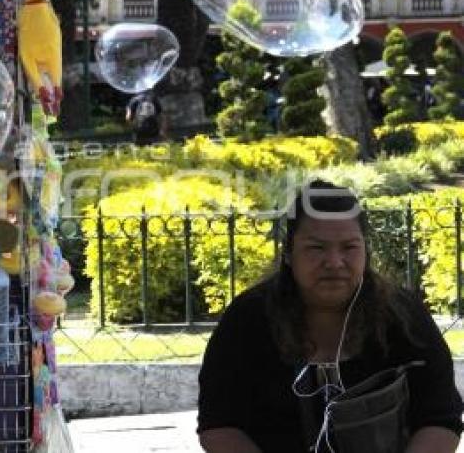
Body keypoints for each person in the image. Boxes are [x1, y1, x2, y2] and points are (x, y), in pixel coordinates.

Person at [197, 179, 462, 453]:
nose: (334, 262)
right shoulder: (247, 320)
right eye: (316, 248)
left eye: (349, 247)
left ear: (365, 251)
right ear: (288, 253)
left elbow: (441, 418)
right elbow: (218, 425)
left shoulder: (403, 316)